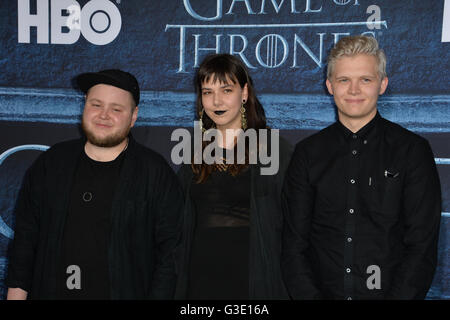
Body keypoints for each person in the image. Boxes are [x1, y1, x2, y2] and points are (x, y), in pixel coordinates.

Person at [282, 35, 442, 300]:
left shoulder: (412, 151)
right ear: (330, 86)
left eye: (365, 79)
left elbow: (421, 247)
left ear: (382, 84)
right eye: (344, 80)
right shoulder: (307, 154)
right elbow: (293, 246)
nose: (354, 90)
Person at [6, 69, 183, 299]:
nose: (103, 115)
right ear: (85, 107)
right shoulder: (52, 163)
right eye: (96, 105)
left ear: (133, 116)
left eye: (116, 109)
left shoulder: (155, 173)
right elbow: (25, 240)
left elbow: (170, 256)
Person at [175, 54, 292, 299]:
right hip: (200, 282)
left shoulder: (274, 150)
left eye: (226, 89)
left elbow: (295, 227)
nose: (216, 100)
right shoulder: (193, 152)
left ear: (245, 92)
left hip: (253, 282)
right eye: (207, 92)